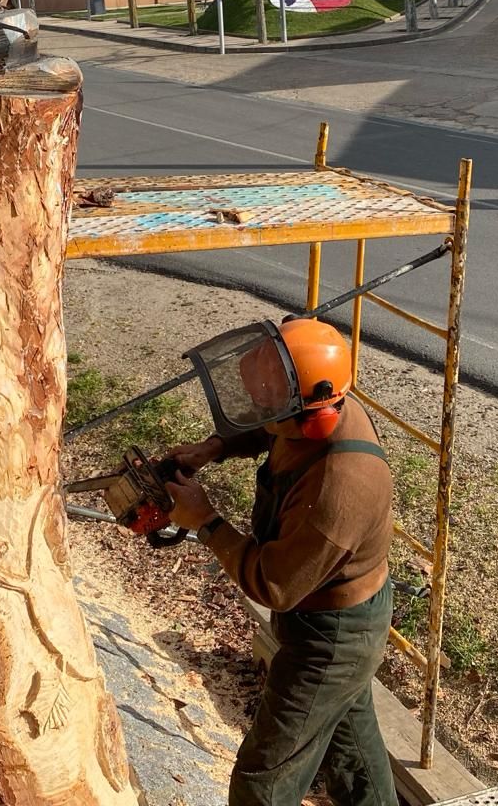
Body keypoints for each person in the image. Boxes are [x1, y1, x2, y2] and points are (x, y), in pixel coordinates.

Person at [165, 318, 396, 806]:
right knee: (353, 754)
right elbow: (270, 425)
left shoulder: (340, 487)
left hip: (332, 637)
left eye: (271, 406)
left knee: (264, 778)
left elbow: (273, 585)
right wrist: (218, 446)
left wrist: (205, 521)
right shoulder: (312, 403)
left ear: (309, 412)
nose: (261, 412)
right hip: (332, 615)